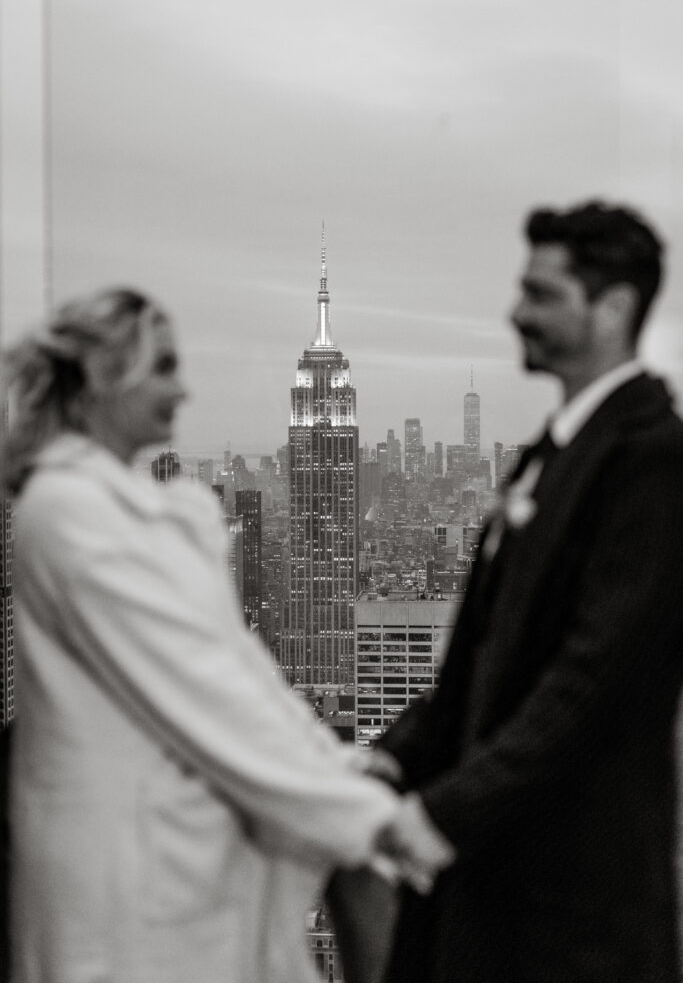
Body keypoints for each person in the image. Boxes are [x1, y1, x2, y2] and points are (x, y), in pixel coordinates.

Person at [1, 289, 454, 983]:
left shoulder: (158, 513)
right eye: (163, 367)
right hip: (126, 867)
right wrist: (361, 815)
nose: (183, 388)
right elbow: (195, 686)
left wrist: (333, 767)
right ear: (102, 378)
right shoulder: (65, 513)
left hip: (188, 853)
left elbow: (239, 670)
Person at [376, 201, 683, 983]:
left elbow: (589, 685)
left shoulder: (654, 457)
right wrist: (388, 763)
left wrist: (443, 815)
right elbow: (479, 667)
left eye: (542, 295)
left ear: (611, 308)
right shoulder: (547, 455)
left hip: (575, 909)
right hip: (498, 891)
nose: (515, 314)